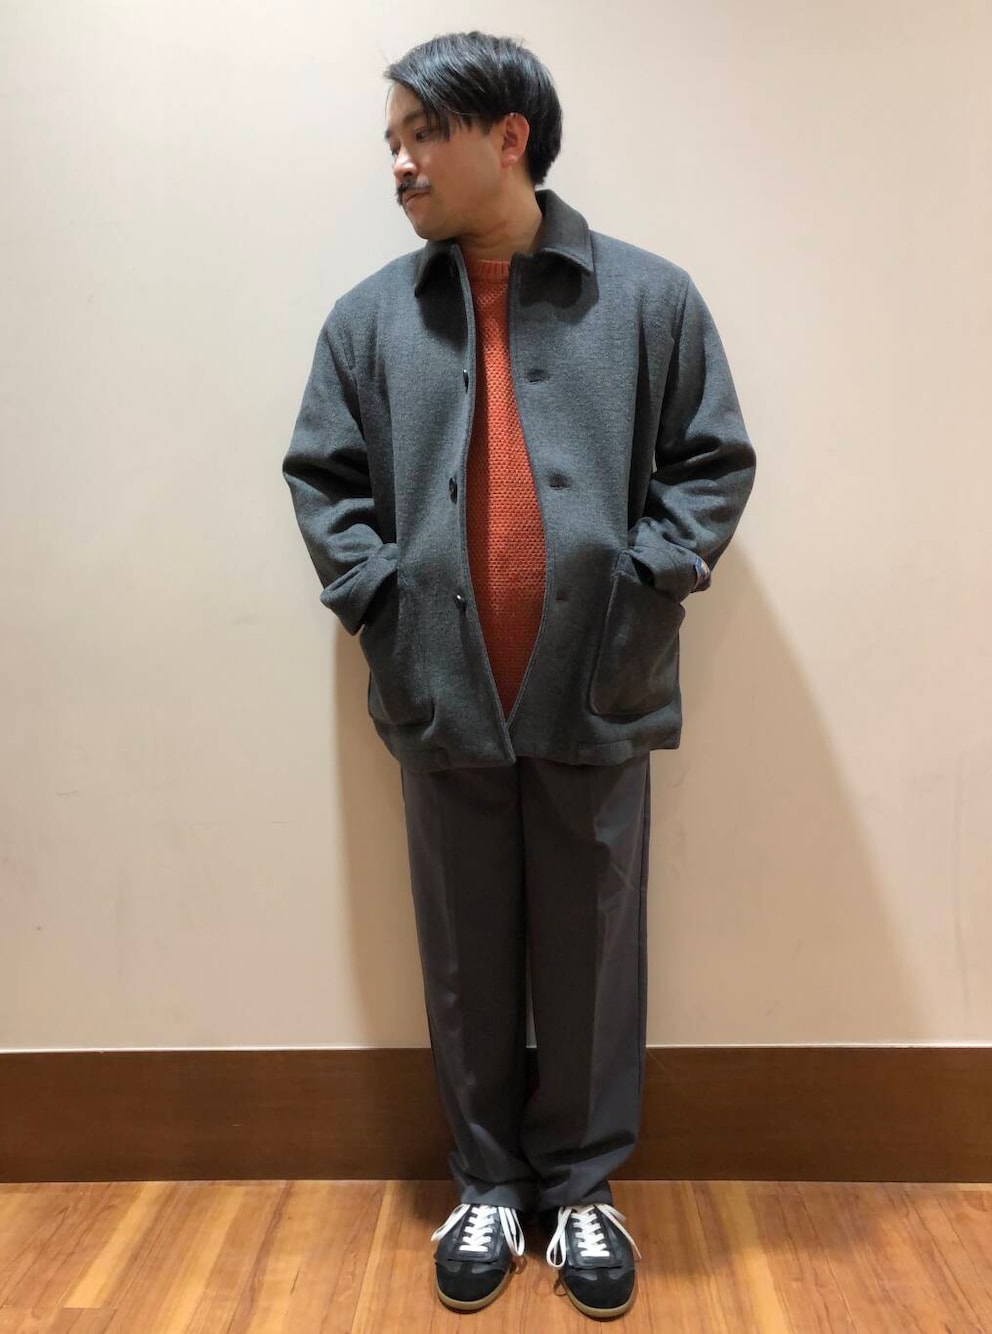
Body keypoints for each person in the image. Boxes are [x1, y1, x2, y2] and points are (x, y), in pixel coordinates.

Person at [282, 29, 756, 1321]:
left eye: (421, 133)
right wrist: (382, 604)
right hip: (440, 685)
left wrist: (647, 579)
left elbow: (711, 461)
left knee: (595, 941)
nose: (399, 162)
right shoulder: (370, 320)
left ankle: (584, 1186)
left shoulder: (647, 299)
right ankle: (489, 1180)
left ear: (508, 137)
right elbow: (323, 478)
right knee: (463, 944)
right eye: (391, 139)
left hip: (598, 679)